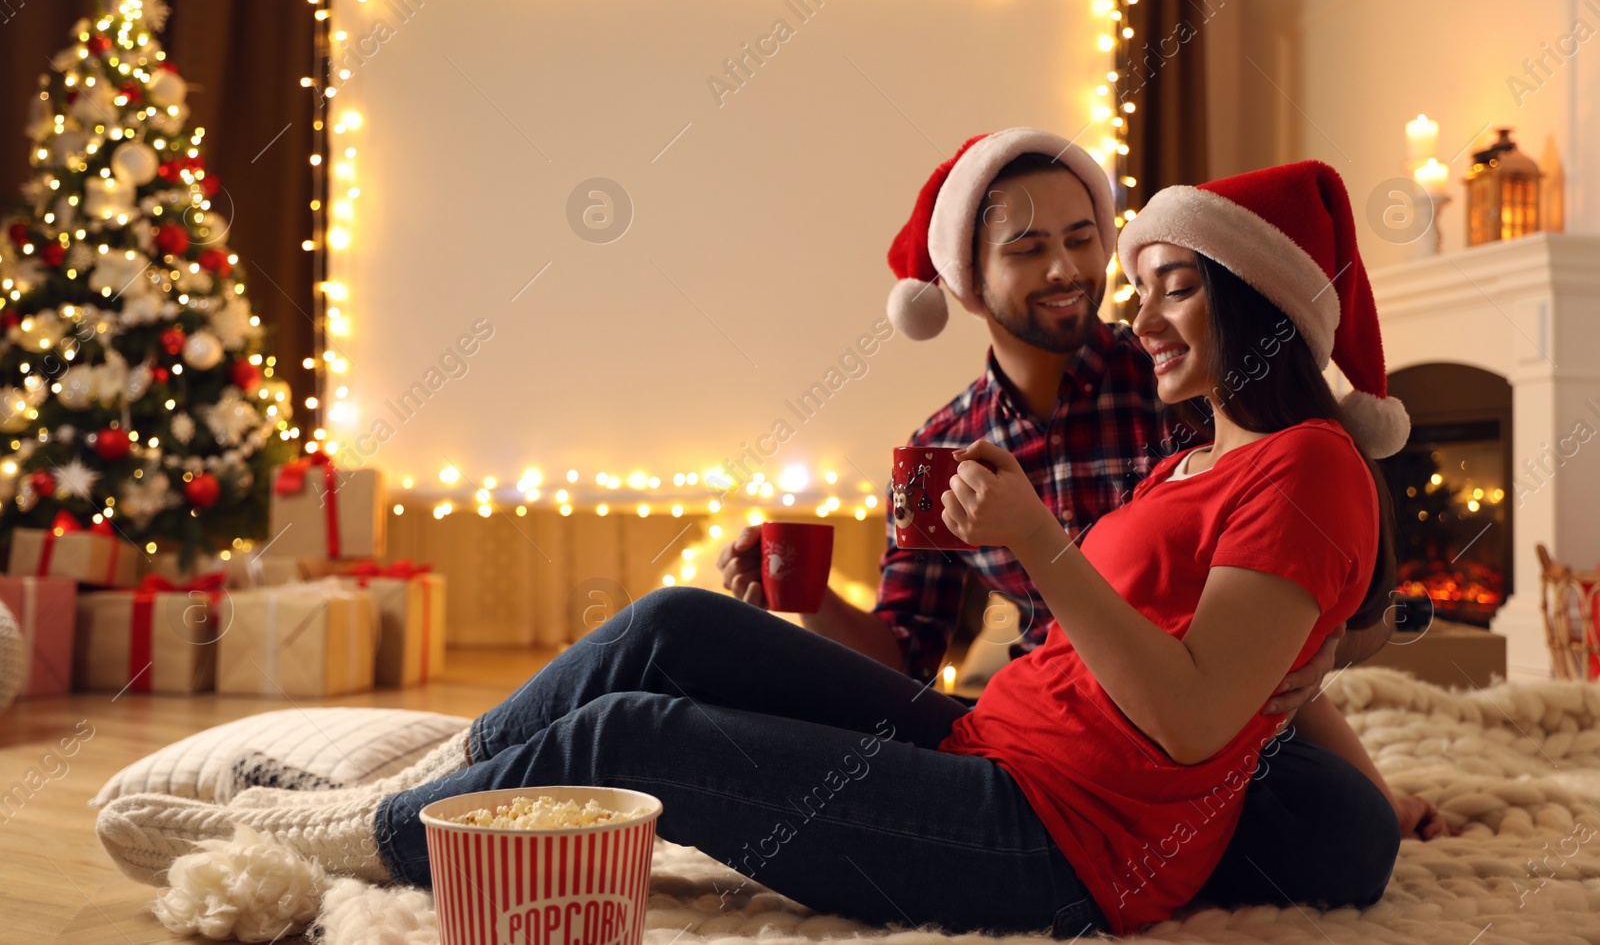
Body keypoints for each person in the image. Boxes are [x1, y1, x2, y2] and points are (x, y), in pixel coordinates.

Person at [96, 156, 1450, 939]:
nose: (1132, 309)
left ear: (1259, 306)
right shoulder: (1198, 449)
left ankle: (341, 835)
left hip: (1066, 841)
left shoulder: (1312, 465)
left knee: (630, 733)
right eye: (1133, 284)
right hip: (994, 737)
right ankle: (429, 775)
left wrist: (1043, 547)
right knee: (676, 628)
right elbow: (1279, 665)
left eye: (1169, 286)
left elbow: (1207, 703)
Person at [721, 129, 1421, 907]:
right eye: (1026, 248)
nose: (1064, 269)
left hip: (1193, 738)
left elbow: (1328, 587)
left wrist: (1317, 645)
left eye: (1082, 239)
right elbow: (905, 653)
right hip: (1039, 714)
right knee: (688, 652)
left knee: (1351, 827)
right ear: (968, 283)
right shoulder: (941, 451)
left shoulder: (1186, 388)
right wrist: (809, 599)